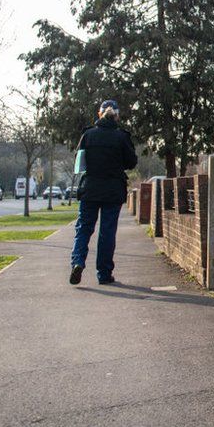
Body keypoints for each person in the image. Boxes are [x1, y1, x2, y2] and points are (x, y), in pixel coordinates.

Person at [69, 99, 138, 286]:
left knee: (83, 228)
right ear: (117, 116)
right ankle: (104, 273)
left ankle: (77, 262)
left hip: (90, 189)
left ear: (99, 115)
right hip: (113, 191)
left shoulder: (88, 135)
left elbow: (79, 162)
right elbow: (131, 162)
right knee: (107, 233)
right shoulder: (121, 137)